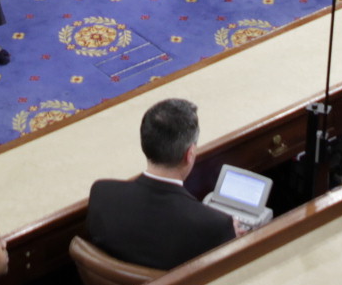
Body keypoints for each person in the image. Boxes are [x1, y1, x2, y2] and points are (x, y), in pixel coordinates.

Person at [86, 98, 237, 269]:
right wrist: (233, 237)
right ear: (189, 154)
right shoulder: (215, 226)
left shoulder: (102, 195)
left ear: (144, 144)